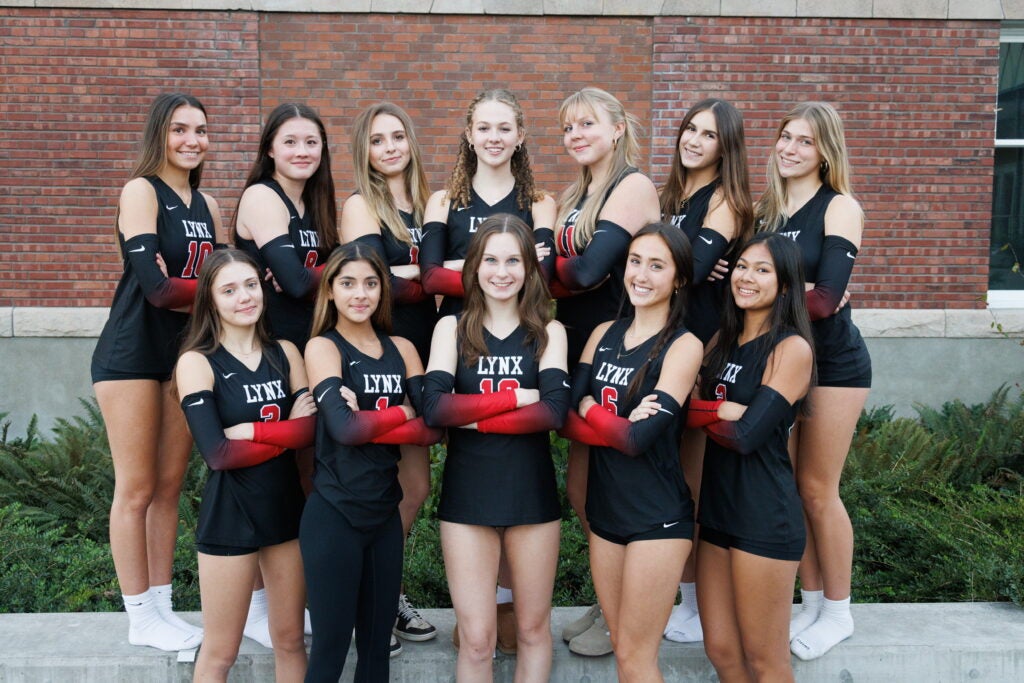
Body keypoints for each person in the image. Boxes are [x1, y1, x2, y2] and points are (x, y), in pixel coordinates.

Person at [419, 88, 556, 650]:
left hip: (520, 335)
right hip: (459, 345)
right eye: (484, 127)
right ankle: (484, 617)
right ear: (468, 134)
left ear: (520, 136)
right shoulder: (440, 201)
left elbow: (543, 278)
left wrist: (462, 264)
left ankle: (505, 618)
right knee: (471, 465)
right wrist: (472, 270)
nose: (494, 138)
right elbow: (429, 278)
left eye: (506, 128)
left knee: (514, 466)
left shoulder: (540, 201)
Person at [91, 92, 224, 651]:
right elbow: (156, 288)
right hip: (131, 353)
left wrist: (188, 289)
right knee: (137, 487)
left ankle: (163, 609)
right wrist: (202, 289)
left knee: (169, 487)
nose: (191, 140)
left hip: (186, 356)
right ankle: (138, 614)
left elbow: (202, 290)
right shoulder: (140, 191)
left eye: (199, 129)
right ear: (159, 136)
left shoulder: (209, 205)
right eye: (179, 130)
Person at [422, 214, 569, 682]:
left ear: (529, 268)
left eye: (512, 260)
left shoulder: (549, 331)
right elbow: (434, 409)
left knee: (530, 628)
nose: (501, 271)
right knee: (478, 637)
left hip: (532, 491)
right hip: (468, 494)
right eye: (490, 259)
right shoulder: (452, 327)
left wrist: (475, 416)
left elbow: (553, 414)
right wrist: (511, 400)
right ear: (474, 265)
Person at [559, 222, 703, 680]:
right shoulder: (603, 332)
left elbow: (639, 440)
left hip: (657, 518)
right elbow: (564, 419)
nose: (641, 274)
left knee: (639, 659)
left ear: (678, 279)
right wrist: (611, 422)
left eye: (657, 265)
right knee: (622, 649)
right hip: (605, 515)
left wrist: (590, 408)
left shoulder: (683, 346)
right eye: (636, 261)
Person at [755, 102, 871, 661]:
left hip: (834, 366)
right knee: (790, 488)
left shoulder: (841, 207)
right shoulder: (768, 212)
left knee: (819, 489)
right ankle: (813, 601)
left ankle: (840, 612)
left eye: (804, 141)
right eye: (785, 137)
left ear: (825, 152)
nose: (790, 148)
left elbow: (824, 302)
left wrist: (762, 290)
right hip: (782, 364)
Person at [552, 86, 661, 656]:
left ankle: (624, 617)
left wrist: (536, 270)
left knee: (611, 488)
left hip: (622, 348)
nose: (576, 135)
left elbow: (590, 269)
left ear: (618, 128)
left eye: (587, 123)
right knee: (581, 487)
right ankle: (606, 598)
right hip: (579, 348)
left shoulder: (632, 185)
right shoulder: (578, 192)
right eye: (569, 127)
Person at [301, 244, 441, 682]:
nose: (359, 294)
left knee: (377, 653)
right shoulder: (323, 348)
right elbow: (344, 430)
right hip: (334, 516)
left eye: (370, 283)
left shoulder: (402, 347)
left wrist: (368, 417)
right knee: (329, 651)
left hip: (384, 517)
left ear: (383, 289)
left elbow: (433, 426)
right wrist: (402, 411)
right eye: (347, 283)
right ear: (330, 291)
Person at [176, 248, 314, 682]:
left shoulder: (287, 353)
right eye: (229, 290)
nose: (244, 297)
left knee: (290, 639)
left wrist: (248, 432)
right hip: (230, 515)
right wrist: (282, 430)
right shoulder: (196, 362)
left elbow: (309, 434)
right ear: (210, 300)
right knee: (220, 651)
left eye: (251, 285)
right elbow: (218, 454)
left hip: (285, 510)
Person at [232, 101, 337, 645]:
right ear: (269, 148)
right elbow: (297, 284)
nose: (302, 151)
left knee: (302, 476)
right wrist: (333, 268)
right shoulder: (261, 196)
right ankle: (253, 607)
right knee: (263, 477)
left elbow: (303, 276)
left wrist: (310, 270)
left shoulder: (313, 206)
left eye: (312, 142)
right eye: (291, 141)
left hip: (304, 351)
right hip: (265, 353)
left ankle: (293, 599)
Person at [689, 233, 814, 682]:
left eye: (762, 270)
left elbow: (746, 436)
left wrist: (723, 416)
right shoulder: (722, 339)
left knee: (766, 660)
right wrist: (720, 409)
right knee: (721, 650)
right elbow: (683, 409)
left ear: (784, 286)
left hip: (765, 516)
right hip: (719, 511)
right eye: (742, 266)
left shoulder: (791, 347)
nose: (747, 277)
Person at [339, 102, 437, 649]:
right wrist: (431, 274)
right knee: (374, 486)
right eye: (378, 140)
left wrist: (417, 275)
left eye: (398, 136)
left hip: (426, 352)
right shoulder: (360, 206)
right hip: (377, 353)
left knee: (415, 486)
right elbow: (375, 282)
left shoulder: (432, 202)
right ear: (366, 152)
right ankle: (365, 601)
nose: (391, 147)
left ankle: (385, 589)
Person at [657, 98, 754, 644]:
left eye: (708, 135)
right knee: (671, 474)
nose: (693, 140)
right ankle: (683, 595)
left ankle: (693, 603)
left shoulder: (726, 200)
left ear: (727, 146)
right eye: (689, 129)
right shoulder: (674, 195)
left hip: (699, 349)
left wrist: (692, 262)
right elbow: (679, 263)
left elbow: (686, 269)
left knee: (690, 479)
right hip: (662, 342)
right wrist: (687, 259)